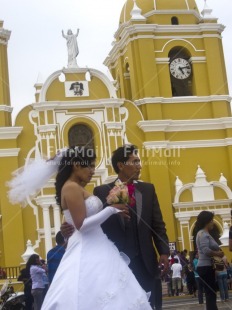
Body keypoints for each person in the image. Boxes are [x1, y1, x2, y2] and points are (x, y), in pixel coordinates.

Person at [61, 144, 170, 309]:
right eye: (135, 162)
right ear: (121, 165)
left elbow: (158, 223)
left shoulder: (148, 189)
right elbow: (89, 221)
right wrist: (68, 228)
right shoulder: (101, 191)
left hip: (146, 261)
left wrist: (164, 251)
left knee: (151, 304)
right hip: (116, 261)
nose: (139, 166)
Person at [195, 211, 224, 310]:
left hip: (206, 266)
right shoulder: (203, 234)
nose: (213, 222)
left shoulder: (203, 233)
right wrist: (218, 254)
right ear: (206, 222)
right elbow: (205, 250)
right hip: (205, 266)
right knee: (210, 293)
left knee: (210, 293)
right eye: (211, 220)